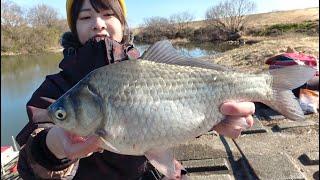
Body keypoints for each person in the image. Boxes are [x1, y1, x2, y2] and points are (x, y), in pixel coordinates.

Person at [15, 0, 255, 179]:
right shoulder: (57, 87)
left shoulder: (148, 69)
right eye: (86, 17)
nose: (98, 24)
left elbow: (177, 114)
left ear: (122, 22)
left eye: (107, 14)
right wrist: (52, 147)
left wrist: (215, 120)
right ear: (74, 26)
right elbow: (27, 161)